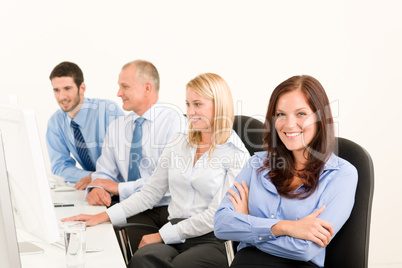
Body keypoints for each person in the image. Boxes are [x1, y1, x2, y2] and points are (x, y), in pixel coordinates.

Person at [62, 73, 251, 268]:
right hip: (175, 232)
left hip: (212, 238)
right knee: (143, 258)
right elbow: (150, 193)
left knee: (180, 265)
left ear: (218, 105)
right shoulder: (179, 142)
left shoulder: (236, 154)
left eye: (197, 104)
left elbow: (217, 214)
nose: (190, 112)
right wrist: (101, 217)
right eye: (187, 104)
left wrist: (162, 235)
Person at [214, 75, 358, 268]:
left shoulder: (342, 175)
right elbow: (222, 224)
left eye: (300, 114)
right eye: (281, 114)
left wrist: (248, 225)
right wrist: (287, 227)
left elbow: (304, 249)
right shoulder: (256, 164)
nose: (289, 124)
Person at [46, 61, 125, 189]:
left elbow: (126, 160)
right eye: (56, 90)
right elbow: (60, 166)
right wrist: (94, 176)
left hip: (121, 188)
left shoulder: (108, 111)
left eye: (67, 88)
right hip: (92, 189)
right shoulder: (56, 122)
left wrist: (99, 177)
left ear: (82, 88)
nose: (62, 96)